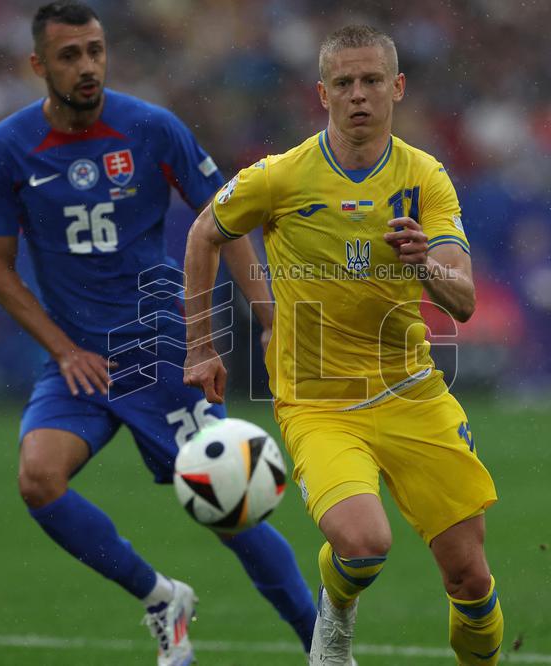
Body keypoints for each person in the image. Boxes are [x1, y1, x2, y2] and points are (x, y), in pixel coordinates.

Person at [0, 3, 315, 665]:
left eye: (95, 50)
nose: (87, 66)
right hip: (78, 360)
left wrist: (271, 319)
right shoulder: (5, 149)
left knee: (230, 507)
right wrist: (62, 348)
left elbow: (226, 218)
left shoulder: (151, 128)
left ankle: (323, 643)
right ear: (38, 65)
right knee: (39, 478)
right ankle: (161, 597)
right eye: (69, 55)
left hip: (159, 347)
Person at [184, 25, 504, 665]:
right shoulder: (280, 178)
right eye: (345, 83)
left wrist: (424, 265)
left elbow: (463, 301)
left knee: (469, 578)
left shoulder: (426, 178)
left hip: (412, 392)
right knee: (364, 543)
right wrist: (201, 345)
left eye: (372, 81)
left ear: (398, 88)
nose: (359, 95)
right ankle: (334, 621)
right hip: (318, 401)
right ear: (322, 93)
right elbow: (203, 233)